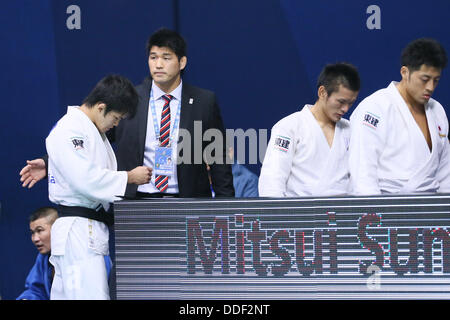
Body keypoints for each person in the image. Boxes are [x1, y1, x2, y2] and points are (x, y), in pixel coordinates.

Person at [20, 28, 234, 199]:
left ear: (182, 62)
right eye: (153, 57)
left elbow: (217, 158)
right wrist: (50, 163)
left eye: (166, 57)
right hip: (138, 198)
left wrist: (226, 208)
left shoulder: (204, 101)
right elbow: (91, 135)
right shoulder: (130, 98)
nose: (158, 64)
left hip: (188, 199)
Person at [46, 75, 152, 300]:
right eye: (116, 117)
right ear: (101, 107)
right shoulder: (70, 128)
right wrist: (128, 177)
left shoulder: (89, 131)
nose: (116, 124)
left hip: (86, 230)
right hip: (78, 231)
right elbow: (84, 178)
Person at [349, 38, 450, 195]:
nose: (430, 87)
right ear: (405, 72)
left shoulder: (437, 111)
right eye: (424, 80)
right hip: (388, 207)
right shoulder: (375, 108)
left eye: (435, 81)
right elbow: (363, 173)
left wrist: (444, 211)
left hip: (432, 209)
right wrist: (375, 216)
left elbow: (445, 172)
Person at [259, 63, 360, 197]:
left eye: (350, 103)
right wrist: (276, 215)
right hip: (299, 214)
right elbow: (272, 181)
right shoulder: (289, 127)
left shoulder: (351, 130)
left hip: (342, 213)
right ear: (322, 92)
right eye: (341, 102)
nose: (345, 109)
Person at [17, 207, 58, 300]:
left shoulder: (75, 254)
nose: (35, 239)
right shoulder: (43, 258)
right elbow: (36, 290)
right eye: (32, 233)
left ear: (57, 228)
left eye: (40, 230)